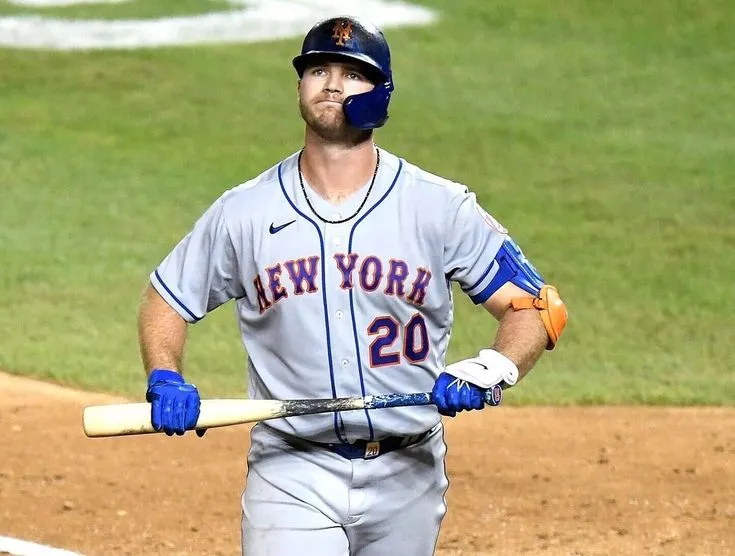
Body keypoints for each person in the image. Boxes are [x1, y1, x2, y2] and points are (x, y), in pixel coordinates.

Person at [137, 15, 568, 556]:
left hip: (410, 471)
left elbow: (537, 307)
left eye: (353, 74)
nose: (333, 84)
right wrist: (165, 374)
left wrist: (493, 367)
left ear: (381, 94)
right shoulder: (245, 213)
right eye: (319, 70)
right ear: (299, 85)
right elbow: (167, 298)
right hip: (291, 470)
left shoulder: (438, 207)